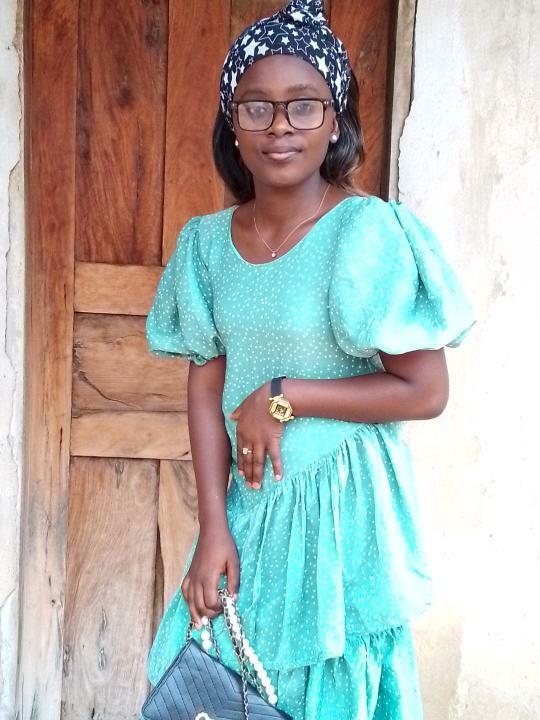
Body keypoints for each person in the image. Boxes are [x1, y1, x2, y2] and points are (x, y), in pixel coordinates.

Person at [144, 1, 475, 718]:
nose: (280, 126)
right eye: (257, 107)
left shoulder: (365, 234)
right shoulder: (206, 246)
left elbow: (425, 389)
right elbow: (205, 390)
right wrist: (212, 526)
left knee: (328, 690)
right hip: (253, 510)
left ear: (334, 121)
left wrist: (285, 395)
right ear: (232, 123)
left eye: (303, 105)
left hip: (343, 518)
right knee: (219, 682)